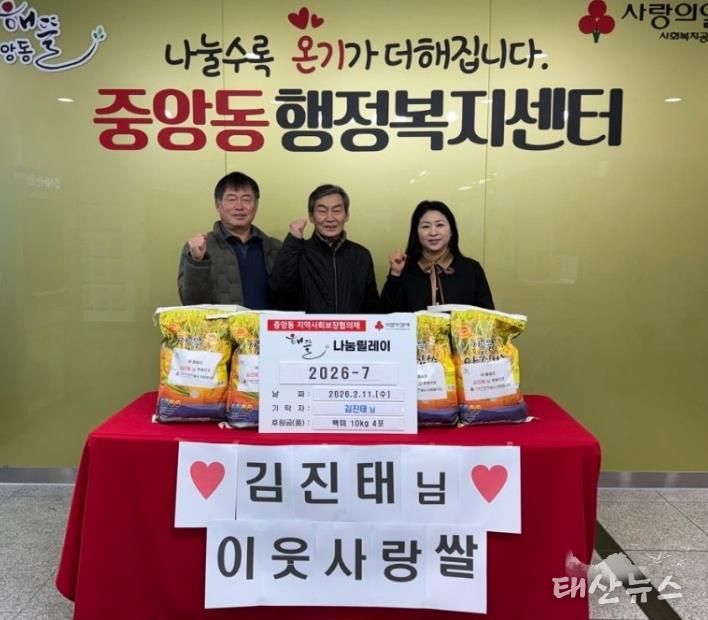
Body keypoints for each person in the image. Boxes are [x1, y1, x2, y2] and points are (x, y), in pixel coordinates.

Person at [177, 171, 282, 308]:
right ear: (218, 205)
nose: (239, 207)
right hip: (221, 323)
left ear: (256, 205)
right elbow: (192, 304)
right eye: (231, 199)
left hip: (265, 323)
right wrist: (197, 262)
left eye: (246, 199)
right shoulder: (199, 248)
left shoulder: (274, 247)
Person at [270, 184, 379, 313]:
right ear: (312, 217)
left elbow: (372, 308)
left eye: (337, 211)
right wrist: (293, 241)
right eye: (322, 211)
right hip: (308, 327)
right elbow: (279, 289)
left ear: (346, 215)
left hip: (352, 327)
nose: (330, 218)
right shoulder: (298, 252)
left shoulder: (361, 256)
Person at [380, 200, 494, 311]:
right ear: (416, 233)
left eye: (440, 225)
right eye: (426, 226)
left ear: (451, 231)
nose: (433, 232)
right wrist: (395, 274)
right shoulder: (404, 269)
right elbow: (384, 315)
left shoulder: (472, 270)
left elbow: (488, 316)